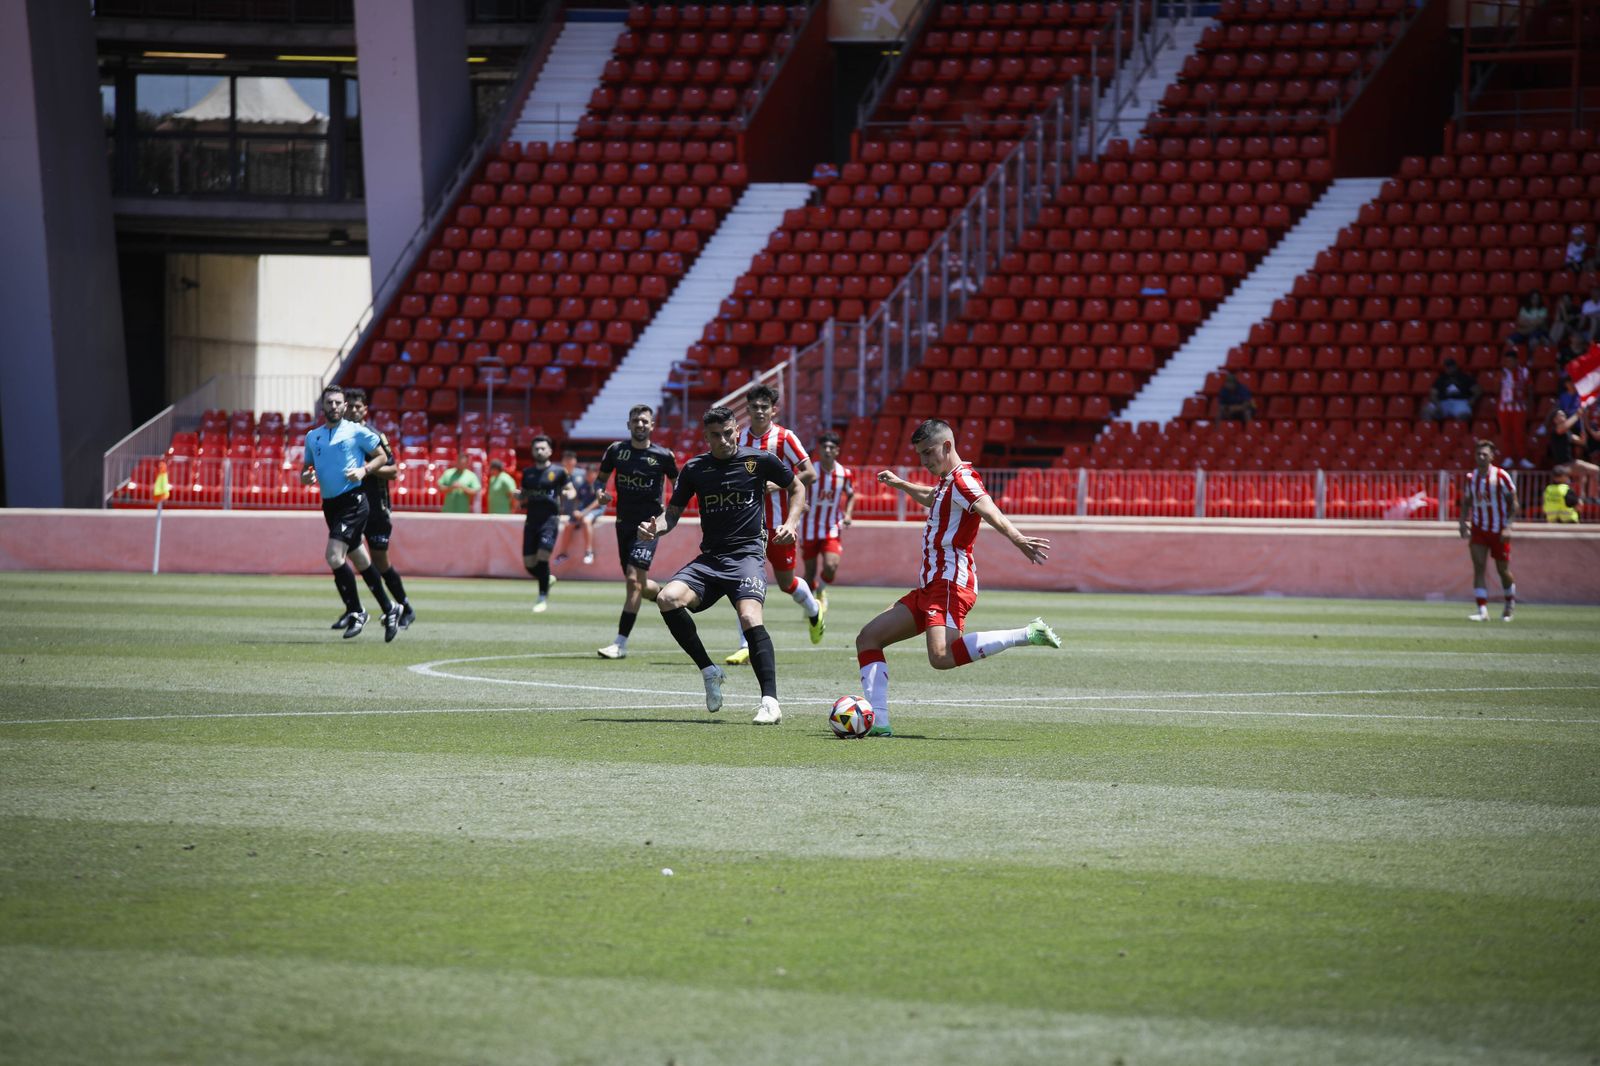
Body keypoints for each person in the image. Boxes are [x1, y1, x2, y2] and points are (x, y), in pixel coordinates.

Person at [854, 418, 1061, 737]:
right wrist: (901, 484)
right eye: (920, 455)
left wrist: (1018, 538)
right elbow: (933, 498)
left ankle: (1026, 633)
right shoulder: (947, 482)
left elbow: (988, 508)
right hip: (930, 586)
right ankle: (879, 723)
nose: (924, 461)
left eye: (928, 453)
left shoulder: (964, 479)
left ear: (947, 446)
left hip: (949, 583)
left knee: (941, 657)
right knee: (868, 638)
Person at [638, 405, 806, 725]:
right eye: (716, 435)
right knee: (666, 598)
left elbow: (797, 487)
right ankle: (709, 670)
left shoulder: (759, 461)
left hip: (747, 556)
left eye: (728, 433)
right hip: (711, 559)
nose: (724, 440)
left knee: (748, 616)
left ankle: (770, 702)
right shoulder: (694, 469)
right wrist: (654, 528)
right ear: (706, 438)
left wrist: (791, 521)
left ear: (737, 431)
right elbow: (671, 514)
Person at [726, 383, 823, 665]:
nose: (758, 411)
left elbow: (809, 472)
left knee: (786, 582)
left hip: (780, 525)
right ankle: (746, 644)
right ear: (748, 409)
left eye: (764, 407)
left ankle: (813, 608)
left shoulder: (784, 438)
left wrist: (777, 485)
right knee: (742, 582)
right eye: (754, 406)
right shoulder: (738, 436)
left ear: (773, 410)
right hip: (747, 524)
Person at [299, 385, 399, 641]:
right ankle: (390, 609)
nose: (334, 406)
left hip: (354, 502)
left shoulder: (357, 431)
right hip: (330, 505)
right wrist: (307, 477)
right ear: (323, 406)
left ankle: (356, 611)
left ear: (344, 407)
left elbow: (382, 458)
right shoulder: (313, 437)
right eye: (329, 402)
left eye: (338, 403)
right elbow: (306, 469)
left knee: (333, 556)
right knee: (361, 560)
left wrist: (364, 471)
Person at [592, 405, 679, 660]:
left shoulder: (663, 456)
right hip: (623, 524)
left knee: (632, 581)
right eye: (636, 421)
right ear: (628, 425)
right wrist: (600, 493)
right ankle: (666, 595)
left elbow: (680, 485)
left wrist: (669, 514)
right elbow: (600, 479)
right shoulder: (616, 451)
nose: (640, 425)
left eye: (645, 421)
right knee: (639, 584)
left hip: (649, 526)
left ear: (652, 426)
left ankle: (620, 643)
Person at [341, 388, 414, 629]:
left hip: (376, 507)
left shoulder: (373, 435)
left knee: (380, 560)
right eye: (348, 405)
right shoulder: (339, 435)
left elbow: (393, 471)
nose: (352, 409)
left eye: (356, 406)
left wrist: (367, 468)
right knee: (343, 555)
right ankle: (353, 609)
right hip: (350, 506)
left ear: (365, 410)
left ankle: (405, 606)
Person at [1459, 438, 1518, 622]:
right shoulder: (1471, 478)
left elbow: (1513, 503)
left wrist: (1508, 526)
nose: (1481, 457)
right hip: (1479, 528)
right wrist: (1462, 522)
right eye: (1478, 454)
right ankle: (1482, 610)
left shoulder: (1501, 476)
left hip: (1499, 529)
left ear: (1492, 456)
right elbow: (1467, 501)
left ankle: (1509, 602)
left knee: (1503, 570)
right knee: (1479, 567)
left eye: (1485, 454)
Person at [518, 435, 575, 613]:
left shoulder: (559, 472)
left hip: (550, 519)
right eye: (536, 449)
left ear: (550, 451)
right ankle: (546, 577)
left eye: (543, 448)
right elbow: (524, 496)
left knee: (543, 555)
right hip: (531, 520)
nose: (540, 451)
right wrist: (518, 496)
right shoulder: (527, 473)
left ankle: (542, 596)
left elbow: (570, 489)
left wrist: (568, 494)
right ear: (532, 451)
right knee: (529, 563)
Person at [800, 431, 856, 609]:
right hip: (809, 527)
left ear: (837, 451)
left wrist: (848, 514)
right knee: (809, 573)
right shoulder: (811, 471)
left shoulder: (844, 474)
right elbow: (796, 488)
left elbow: (851, 494)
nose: (827, 450)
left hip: (832, 526)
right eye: (824, 447)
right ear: (819, 449)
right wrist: (800, 503)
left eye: (831, 447)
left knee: (831, 565)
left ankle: (821, 590)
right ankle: (812, 610)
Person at [553, 451, 597, 565]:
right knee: (568, 525)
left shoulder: (582, 474)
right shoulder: (559, 474)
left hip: (581, 510)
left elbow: (590, 494)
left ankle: (588, 552)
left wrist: (583, 510)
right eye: (566, 459)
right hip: (568, 510)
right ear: (562, 461)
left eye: (570, 459)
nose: (568, 462)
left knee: (583, 521)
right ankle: (563, 553)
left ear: (575, 461)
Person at [1495, 348, 1533, 468]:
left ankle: (1522, 457)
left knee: (1519, 433)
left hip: (1519, 407)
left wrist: (1529, 403)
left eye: (1511, 361)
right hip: (1504, 408)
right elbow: (1495, 390)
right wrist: (1500, 379)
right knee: (1506, 433)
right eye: (1507, 361)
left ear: (1516, 361)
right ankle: (1508, 457)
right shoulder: (1501, 373)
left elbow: (1530, 389)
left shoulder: (1524, 372)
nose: (1509, 364)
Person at [1422, 357, 1480, 422]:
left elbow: (1477, 390)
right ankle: (1429, 430)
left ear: (1455, 366)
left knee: (1464, 416)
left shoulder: (1464, 377)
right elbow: (1433, 393)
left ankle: (1456, 430)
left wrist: (1473, 399)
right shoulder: (1441, 378)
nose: (1449, 369)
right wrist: (1437, 404)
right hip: (1443, 402)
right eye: (1447, 367)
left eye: (1451, 366)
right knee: (1426, 411)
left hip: (1460, 401)